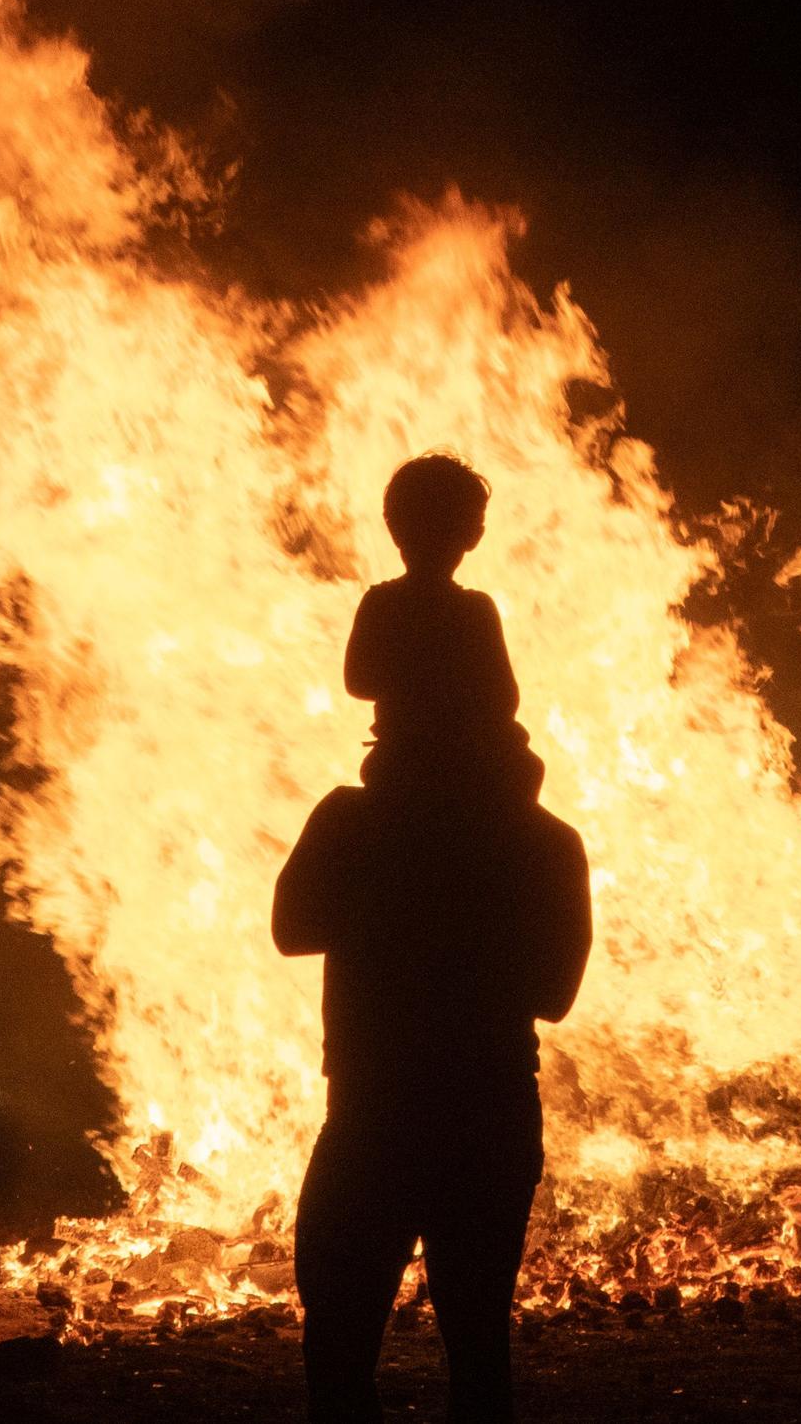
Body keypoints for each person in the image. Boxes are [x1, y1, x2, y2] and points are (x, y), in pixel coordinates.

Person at [276, 455, 593, 1424]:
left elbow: (292, 930)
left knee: (339, 1359)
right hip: (487, 1117)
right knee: (478, 1359)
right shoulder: (542, 845)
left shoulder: (351, 825)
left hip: (371, 1112)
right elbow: (552, 993)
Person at [341, 453, 541, 800]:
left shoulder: (381, 602)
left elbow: (357, 681)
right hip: (447, 761)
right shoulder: (476, 609)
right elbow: (505, 699)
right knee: (528, 770)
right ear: (473, 536)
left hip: (401, 758)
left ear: (394, 528)